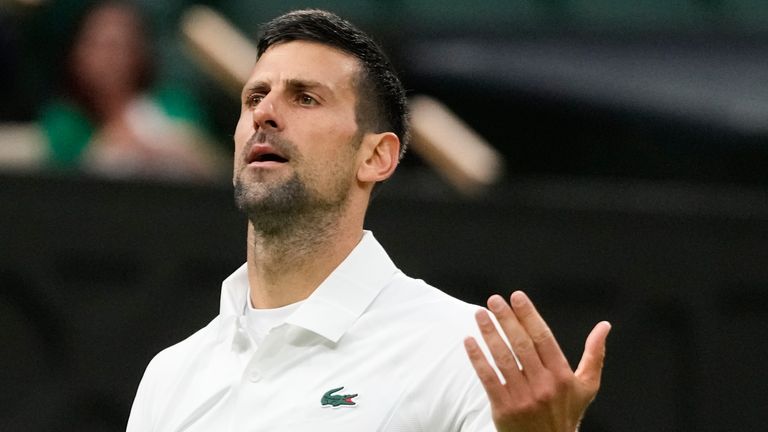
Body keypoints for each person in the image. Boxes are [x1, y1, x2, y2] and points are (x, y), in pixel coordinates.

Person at [127, 9, 611, 431]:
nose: (265, 113)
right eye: (254, 97)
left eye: (305, 98)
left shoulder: (467, 352)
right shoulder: (169, 377)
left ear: (377, 156)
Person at [38, 1, 226, 181]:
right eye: (97, 45)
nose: (108, 59)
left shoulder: (174, 103)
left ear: (139, 52)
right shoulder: (64, 120)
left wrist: (165, 146)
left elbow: (215, 167)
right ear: (76, 54)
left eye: (117, 46)